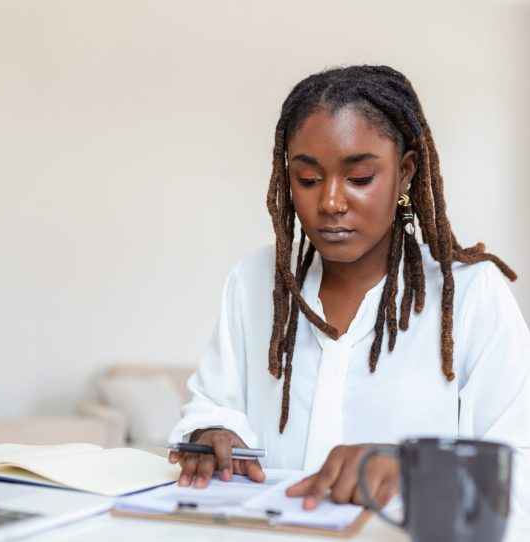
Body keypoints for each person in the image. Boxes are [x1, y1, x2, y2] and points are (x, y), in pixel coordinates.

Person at [169, 65, 530, 512]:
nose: (331, 202)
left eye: (359, 178)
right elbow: (212, 404)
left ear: (405, 173)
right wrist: (212, 434)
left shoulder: (472, 295)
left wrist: (414, 469)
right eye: (308, 179)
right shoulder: (255, 280)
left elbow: (517, 470)